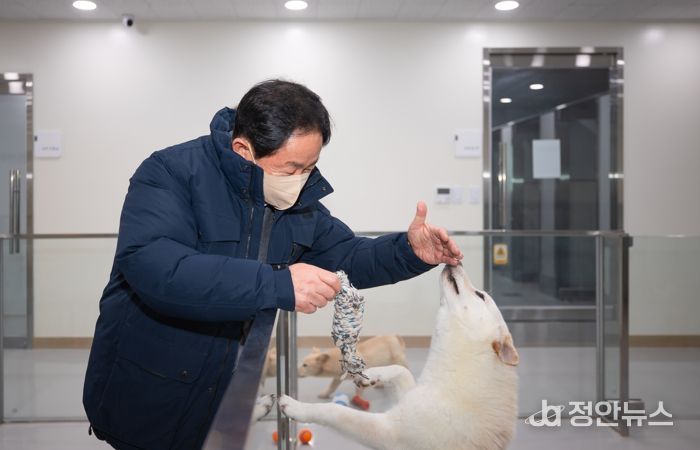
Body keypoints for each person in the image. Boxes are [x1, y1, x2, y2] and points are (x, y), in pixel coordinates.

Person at [83, 79, 463, 450]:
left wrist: (409, 252)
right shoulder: (171, 173)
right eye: (291, 168)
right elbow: (158, 267)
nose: (300, 180)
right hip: (151, 385)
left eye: (310, 167)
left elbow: (347, 255)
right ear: (243, 150)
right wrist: (278, 283)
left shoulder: (296, 205)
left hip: (228, 391)